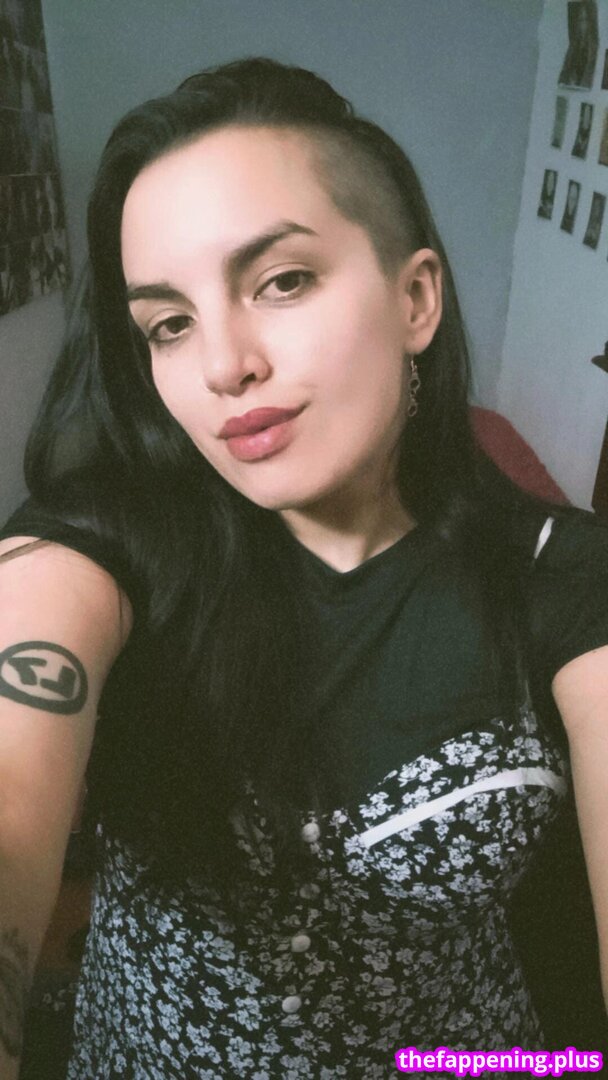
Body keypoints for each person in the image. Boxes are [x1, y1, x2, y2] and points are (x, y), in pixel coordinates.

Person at [0, 57, 607, 1079]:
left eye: (281, 281)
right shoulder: (103, 544)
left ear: (415, 299)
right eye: (169, 324)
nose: (222, 365)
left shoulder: (561, 581)